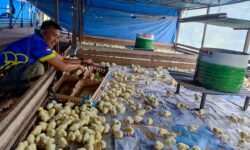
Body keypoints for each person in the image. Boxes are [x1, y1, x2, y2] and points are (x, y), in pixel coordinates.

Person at [0, 20, 93, 97]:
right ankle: (10, 93)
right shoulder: (37, 43)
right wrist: (79, 66)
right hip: (3, 76)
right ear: (43, 32)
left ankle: (12, 91)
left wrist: (81, 61)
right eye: (54, 35)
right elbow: (62, 67)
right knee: (38, 68)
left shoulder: (39, 41)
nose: (56, 40)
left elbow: (62, 59)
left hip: (10, 73)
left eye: (58, 37)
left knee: (39, 68)